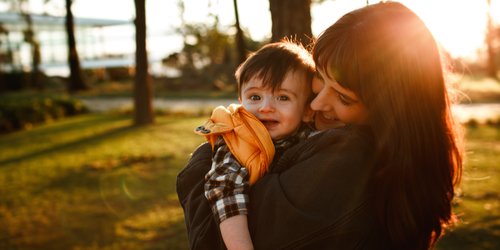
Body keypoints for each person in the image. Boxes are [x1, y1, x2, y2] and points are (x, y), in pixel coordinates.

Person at [177, 2, 463, 249]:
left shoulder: (349, 161)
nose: (315, 104)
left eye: (342, 97)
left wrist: (205, 157)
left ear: (389, 111)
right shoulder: (392, 160)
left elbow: (209, 238)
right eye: (320, 78)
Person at [193, 40, 316, 250]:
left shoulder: (311, 137)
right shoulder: (237, 142)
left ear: (307, 111)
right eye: (255, 96)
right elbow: (225, 192)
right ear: (241, 101)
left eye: (283, 97)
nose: (266, 107)